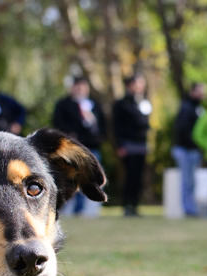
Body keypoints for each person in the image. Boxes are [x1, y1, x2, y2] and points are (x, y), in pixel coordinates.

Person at [52, 76, 107, 217]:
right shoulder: (63, 105)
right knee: (70, 178)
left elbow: (103, 127)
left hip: (91, 148)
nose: (80, 90)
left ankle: (82, 210)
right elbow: (57, 124)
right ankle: (68, 208)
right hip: (71, 149)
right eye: (77, 87)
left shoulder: (95, 105)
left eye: (82, 86)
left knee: (88, 179)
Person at [113, 74, 152, 217]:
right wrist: (120, 145)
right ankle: (126, 205)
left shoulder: (143, 102)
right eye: (137, 84)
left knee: (138, 177)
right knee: (129, 176)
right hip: (128, 145)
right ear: (129, 86)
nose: (140, 87)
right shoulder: (121, 104)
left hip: (141, 145)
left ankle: (135, 205)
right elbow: (117, 127)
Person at [170, 83, 206, 217]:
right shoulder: (186, 107)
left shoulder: (199, 108)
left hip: (194, 150)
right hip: (185, 150)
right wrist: (193, 143)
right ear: (192, 92)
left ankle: (191, 207)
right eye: (199, 91)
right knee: (187, 181)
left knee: (192, 181)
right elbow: (182, 130)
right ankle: (188, 209)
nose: (202, 94)